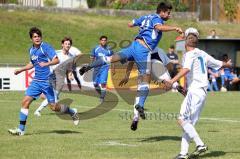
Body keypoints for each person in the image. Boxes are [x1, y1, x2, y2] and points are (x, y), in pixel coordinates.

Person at [79, 2, 182, 122]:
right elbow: (159, 27)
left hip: (132, 47)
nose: (169, 15)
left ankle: (88, 66)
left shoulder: (146, 17)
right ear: (162, 12)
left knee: (110, 59)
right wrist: (175, 28)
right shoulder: (156, 19)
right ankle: (141, 105)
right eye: (168, 13)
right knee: (145, 79)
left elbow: (130, 23)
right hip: (143, 50)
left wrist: (139, 26)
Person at [164, 28, 232, 159]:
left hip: (195, 91)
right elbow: (219, 64)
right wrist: (228, 65)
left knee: (182, 119)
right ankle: (183, 153)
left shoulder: (189, 55)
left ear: (185, 42)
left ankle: (200, 144)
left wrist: (172, 80)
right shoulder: (202, 53)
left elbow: (186, 69)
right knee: (188, 124)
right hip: (201, 92)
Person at [8, 28, 79, 136]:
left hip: (47, 81)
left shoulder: (45, 47)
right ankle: (21, 130)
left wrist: (46, 64)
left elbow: (56, 60)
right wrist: (21, 70)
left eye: (39, 36)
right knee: (25, 102)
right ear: (31, 39)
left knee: (54, 107)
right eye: (35, 37)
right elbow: (32, 64)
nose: (37, 38)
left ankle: (72, 111)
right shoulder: (31, 50)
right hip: (36, 81)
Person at [118, 47, 187, 131]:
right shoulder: (159, 49)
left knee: (140, 93)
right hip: (157, 64)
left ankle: (136, 117)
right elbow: (170, 66)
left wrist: (126, 76)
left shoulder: (138, 47)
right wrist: (170, 78)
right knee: (168, 80)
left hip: (144, 67)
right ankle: (176, 86)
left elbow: (131, 62)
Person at [34, 37, 81, 117]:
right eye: (66, 44)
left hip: (60, 80)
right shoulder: (57, 53)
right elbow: (48, 60)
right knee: (46, 96)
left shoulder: (71, 57)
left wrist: (70, 75)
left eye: (69, 44)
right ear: (62, 45)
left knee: (52, 99)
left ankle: (38, 111)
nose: (67, 45)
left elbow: (69, 69)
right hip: (50, 76)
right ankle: (72, 111)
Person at [90, 35, 114, 103]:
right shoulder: (95, 49)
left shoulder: (109, 50)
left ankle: (102, 98)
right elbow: (92, 57)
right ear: (100, 41)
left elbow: (113, 59)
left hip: (105, 68)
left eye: (105, 40)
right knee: (95, 84)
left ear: (106, 41)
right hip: (96, 68)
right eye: (102, 40)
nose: (103, 41)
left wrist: (113, 68)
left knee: (103, 83)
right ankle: (102, 94)